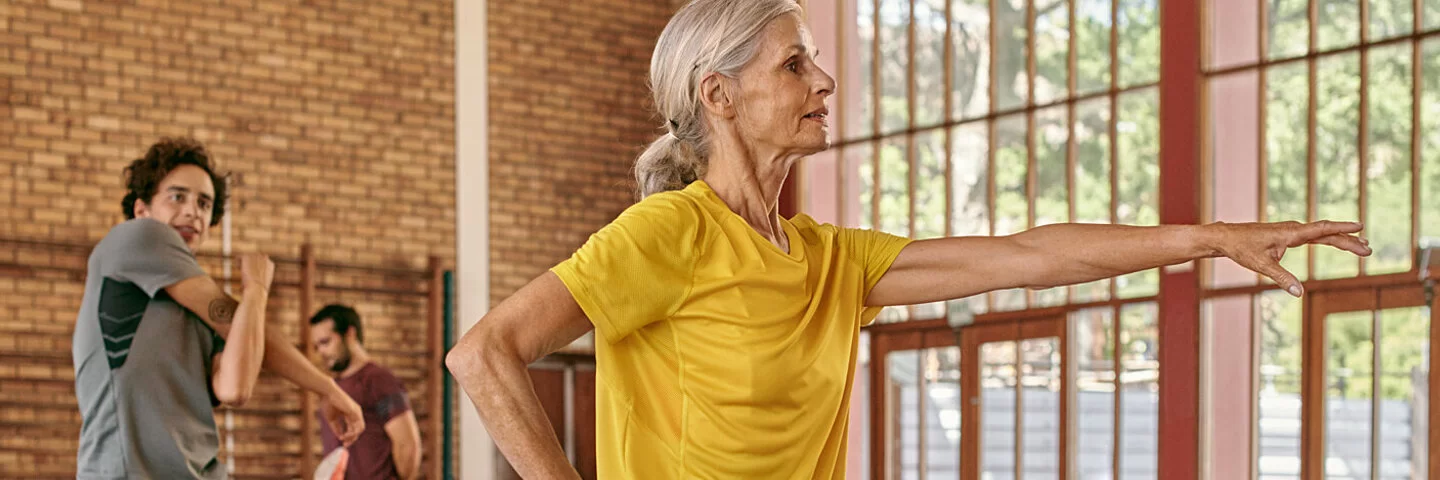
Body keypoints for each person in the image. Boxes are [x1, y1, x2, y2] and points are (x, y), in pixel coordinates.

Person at [444, 1, 1373, 478]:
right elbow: (484, 353)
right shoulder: (671, 233)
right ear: (717, 97)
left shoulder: (830, 260)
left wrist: (1213, 236)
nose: (825, 81)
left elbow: (1029, 255)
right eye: (795, 64)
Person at [71, 138, 366, 479]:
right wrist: (255, 285)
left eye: (204, 203)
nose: (193, 211)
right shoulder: (137, 237)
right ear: (142, 210)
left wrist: (256, 294)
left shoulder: (194, 309)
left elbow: (235, 388)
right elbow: (227, 315)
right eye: (177, 196)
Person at [309, 304, 423, 480]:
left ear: (350, 334)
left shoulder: (379, 380)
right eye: (317, 346)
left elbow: (407, 446)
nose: (321, 352)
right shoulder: (332, 388)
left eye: (325, 342)